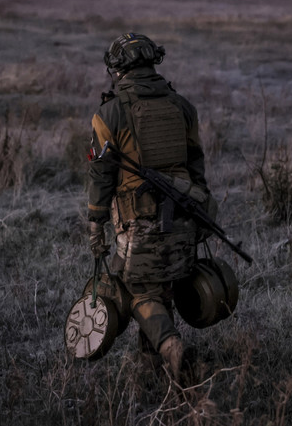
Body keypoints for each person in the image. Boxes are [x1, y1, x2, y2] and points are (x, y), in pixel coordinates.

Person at [86, 32, 211, 382]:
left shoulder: (109, 112)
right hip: (185, 216)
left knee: (137, 290)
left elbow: (100, 173)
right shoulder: (182, 106)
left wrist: (95, 223)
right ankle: (152, 374)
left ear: (117, 69)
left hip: (138, 222)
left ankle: (172, 348)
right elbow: (197, 166)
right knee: (162, 287)